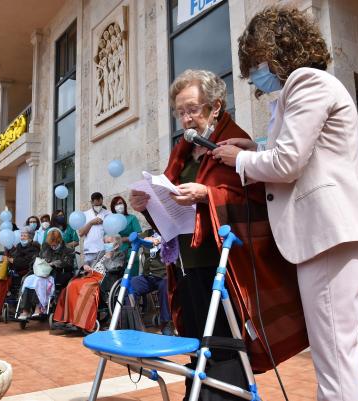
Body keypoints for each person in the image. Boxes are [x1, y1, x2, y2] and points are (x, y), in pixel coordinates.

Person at [210, 7, 358, 401]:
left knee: (334, 358)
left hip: (327, 233)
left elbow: (288, 162)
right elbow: (303, 153)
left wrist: (241, 160)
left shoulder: (306, 82)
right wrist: (255, 148)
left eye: (255, 61)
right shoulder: (314, 84)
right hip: (331, 232)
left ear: (276, 49)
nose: (254, 72)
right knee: (336, 354)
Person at [130, 67, 306, 400]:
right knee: (197, 340)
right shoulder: (181, 153)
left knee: (223, 342)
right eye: (180, 112)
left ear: (215, 107)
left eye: (193, 109)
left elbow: (258, 200)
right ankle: (196, 393)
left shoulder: (233, 143)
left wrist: (207, 195)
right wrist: (147, 205)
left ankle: (223, 395)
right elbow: (171, 213)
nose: (186, 119)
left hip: (226, 265)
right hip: (188, 263)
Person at [53, 234, 125, 332]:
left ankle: (80, 322)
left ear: (116, 245)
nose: (106, 245)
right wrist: (86, 265)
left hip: (103, 279)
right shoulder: (101, 253)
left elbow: (115, 268)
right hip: (91, 275)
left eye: (108, 243)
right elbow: (90, 262)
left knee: (85, 287)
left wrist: (108, 258)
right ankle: (67, 319)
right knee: (71, 284)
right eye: (105, 242)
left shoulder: (120, 254)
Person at [0, 228, 39, 324]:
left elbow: (25, 263)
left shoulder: (34, 250)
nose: (22, 237)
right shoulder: (19, 247)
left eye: (24, 235)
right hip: (11, 272)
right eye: (21, 235)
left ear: (30, 238)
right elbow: (10, 258)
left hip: (22, 275)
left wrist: (10, 260)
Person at [19, 228, 76, 319]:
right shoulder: (46, 247)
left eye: (55, 243)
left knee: (39, 282)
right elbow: (39, 258)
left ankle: (38, 308)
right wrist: (39, 262)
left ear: (59, 240)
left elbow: (68, 264)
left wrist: (55, 263)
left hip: (55, 274)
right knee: (28, 281)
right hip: (41, 272)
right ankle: (25, 310)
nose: (53, 245)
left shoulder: (67, 250)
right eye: (51, 243)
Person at [128, 230, 174, 335]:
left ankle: (165, 323)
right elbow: (135, 240)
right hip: (147, 276)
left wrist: (159, 240)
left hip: (164, 275)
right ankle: (134, 322)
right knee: (129, 285)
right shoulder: (147, 233)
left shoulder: (168, 232)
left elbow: (173, 243)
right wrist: (144, 239)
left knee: (165, 287)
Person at [110, 196, 142, 275]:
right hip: (116, 255)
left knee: (131, 279)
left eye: (120, 203)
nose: (119, 206)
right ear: (113, 208)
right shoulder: (111, 221)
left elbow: (139, 235)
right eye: (116, 204)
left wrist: (122, 239)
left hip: (131, 252)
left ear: (124, 204)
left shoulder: (132, 218)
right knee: (118, 281)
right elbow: (108, 238)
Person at [79, 192, 111, 264]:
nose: (99, 206)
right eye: (96, 205)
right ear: (92, 202)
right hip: (89, 250)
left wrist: (105, 223)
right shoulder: (85, 214)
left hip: (103, 250)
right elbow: (81, 233)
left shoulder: (108, 214)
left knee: (101, 273)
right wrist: (91, 223)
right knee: (90, 273)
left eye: (100, 204)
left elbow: (112, 232)